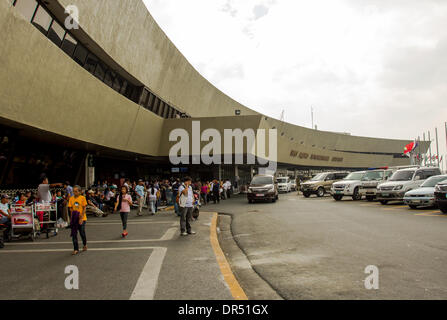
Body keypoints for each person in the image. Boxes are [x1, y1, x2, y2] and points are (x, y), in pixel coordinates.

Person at [67, 186, 88, 255]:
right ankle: (76, 249)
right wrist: (71, 218)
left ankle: (84, 244)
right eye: (74, 191)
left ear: (80, 191)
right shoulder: (71, 198)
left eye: (76, 191)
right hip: (74, 219)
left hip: (82, 218)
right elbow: (70, 209)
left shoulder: (83, 198)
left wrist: (81, 217)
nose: (75, 192)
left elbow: (84, 208)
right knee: (74, 234)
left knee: (82, 233)